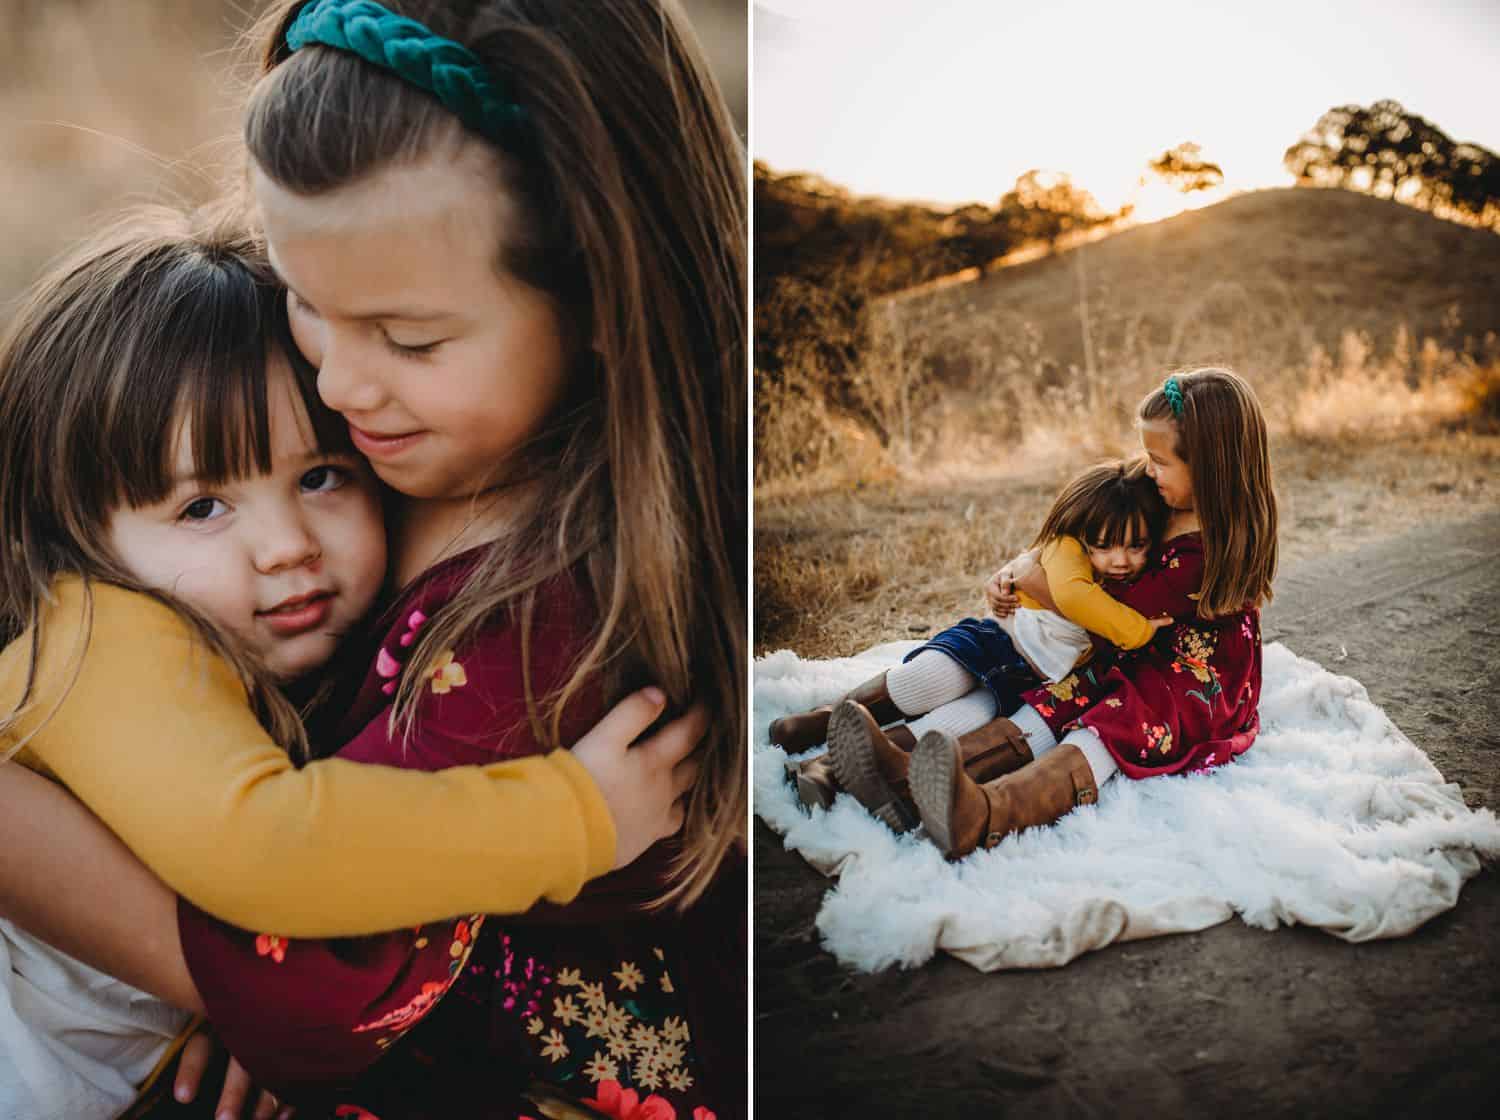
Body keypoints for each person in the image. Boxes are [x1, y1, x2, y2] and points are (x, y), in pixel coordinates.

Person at [2, 0, 747, 1115]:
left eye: (408, 340)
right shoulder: (411, 457)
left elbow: (304, 977)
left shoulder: (542, 622)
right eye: (305, 302)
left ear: (602, 295)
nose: (342, 390)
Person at [909, 367, 1277, 858]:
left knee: (1113, 722)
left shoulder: (1202, 552)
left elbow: (1106, 609)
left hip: (1190, 684)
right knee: (1058, 697)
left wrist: (1036, 583)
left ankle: (990, 812)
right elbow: (1087, 534)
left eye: (1159, 460)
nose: (1148, 469)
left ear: (1209, 466)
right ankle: (911, 776)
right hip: (1131, 649)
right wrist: (1021, 567)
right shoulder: (1163, 494)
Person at [774, 459, 1174, 828]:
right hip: (995, 642)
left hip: (1030, 682)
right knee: (927, 680)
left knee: (958, 723)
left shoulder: (1140, 574)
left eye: (1135, 546)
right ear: (1082, 534)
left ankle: (828, 769)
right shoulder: (1067, 547)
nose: (1119, 559)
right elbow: (1069, 595)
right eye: (1104, 546)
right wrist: (1140, 629)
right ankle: (826, 719)